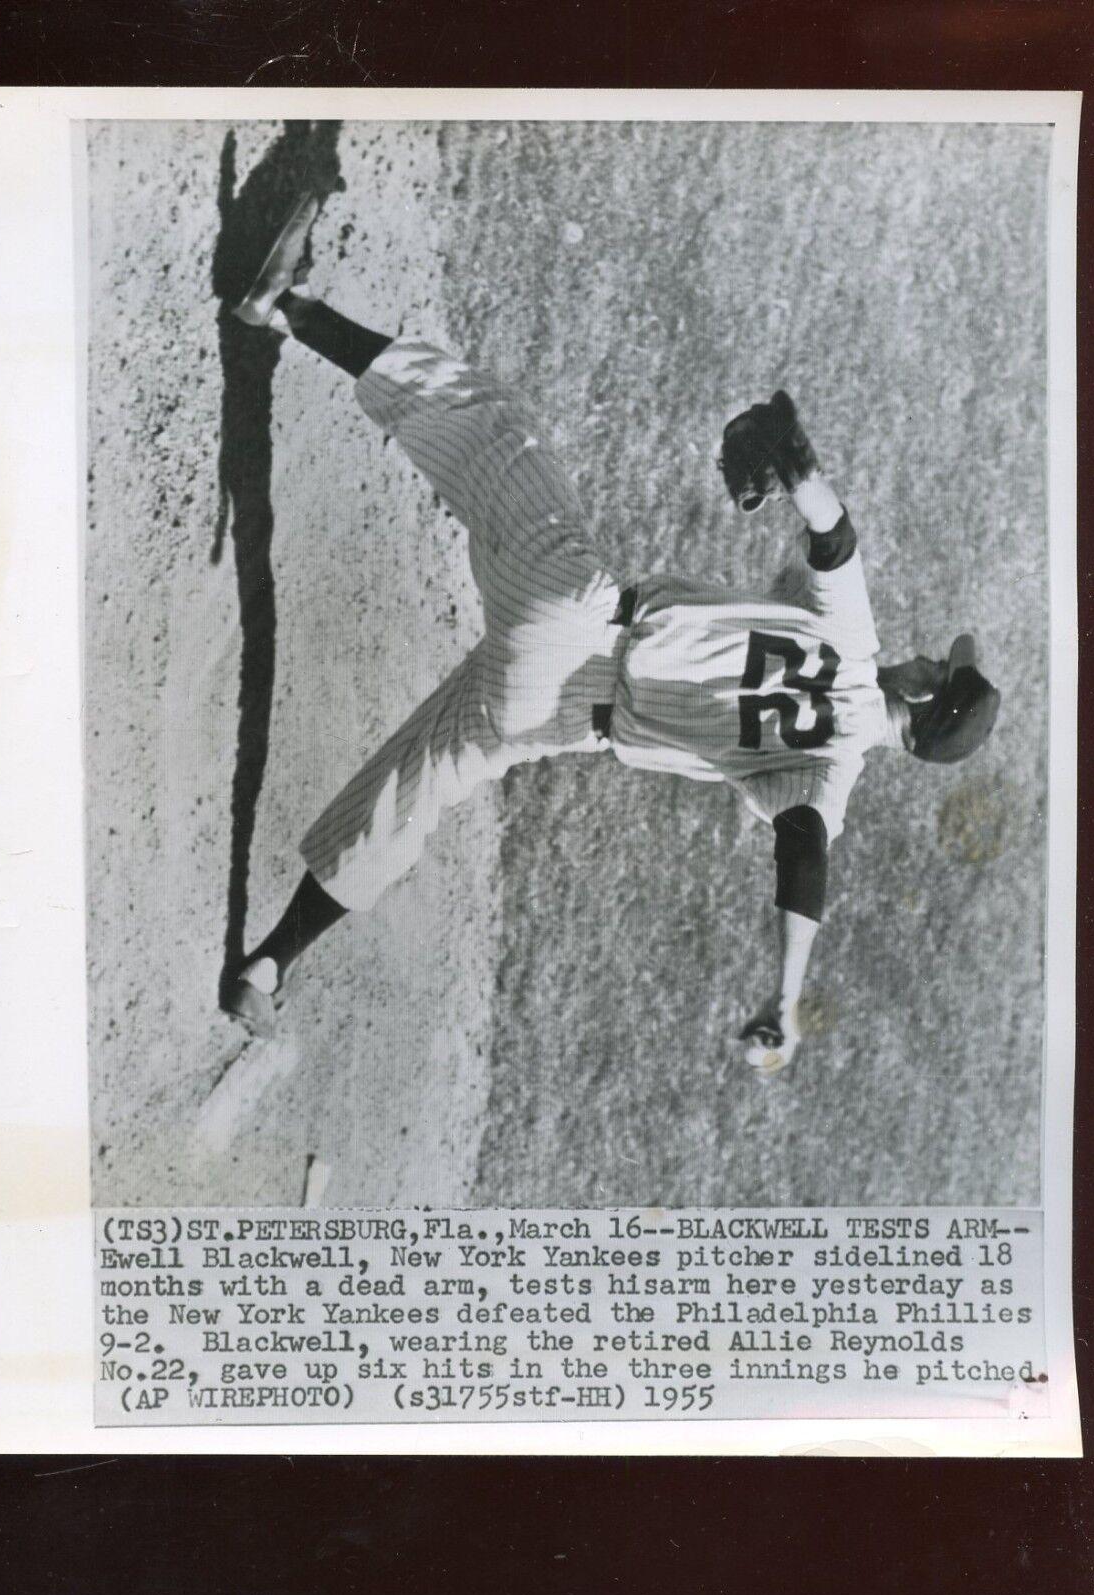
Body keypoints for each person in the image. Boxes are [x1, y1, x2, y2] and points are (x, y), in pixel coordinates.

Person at [221, 194, 1001, 1071]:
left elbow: (834, 535)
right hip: (553, 716)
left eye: (942, 661)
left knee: (491, 427)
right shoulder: (827, 775)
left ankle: (283, 307)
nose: (933, 652)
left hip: (576, 603)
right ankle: (266, 964)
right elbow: (803, 855)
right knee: (420, 784)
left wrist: (800, 467)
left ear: (925, 693)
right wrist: (783, 997)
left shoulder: (851, 643)